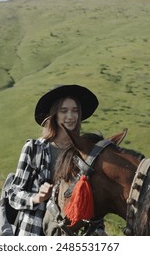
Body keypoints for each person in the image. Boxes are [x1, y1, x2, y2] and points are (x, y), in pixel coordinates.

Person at [6, 84, 99, 236]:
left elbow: (91, 201)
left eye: (75, 111)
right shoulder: (34, 148)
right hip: (32, 233)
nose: (70, 116)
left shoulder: (83, 154)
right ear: (54, 114)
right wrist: (36, 198)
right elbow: (13, 194)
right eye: (64, 111)